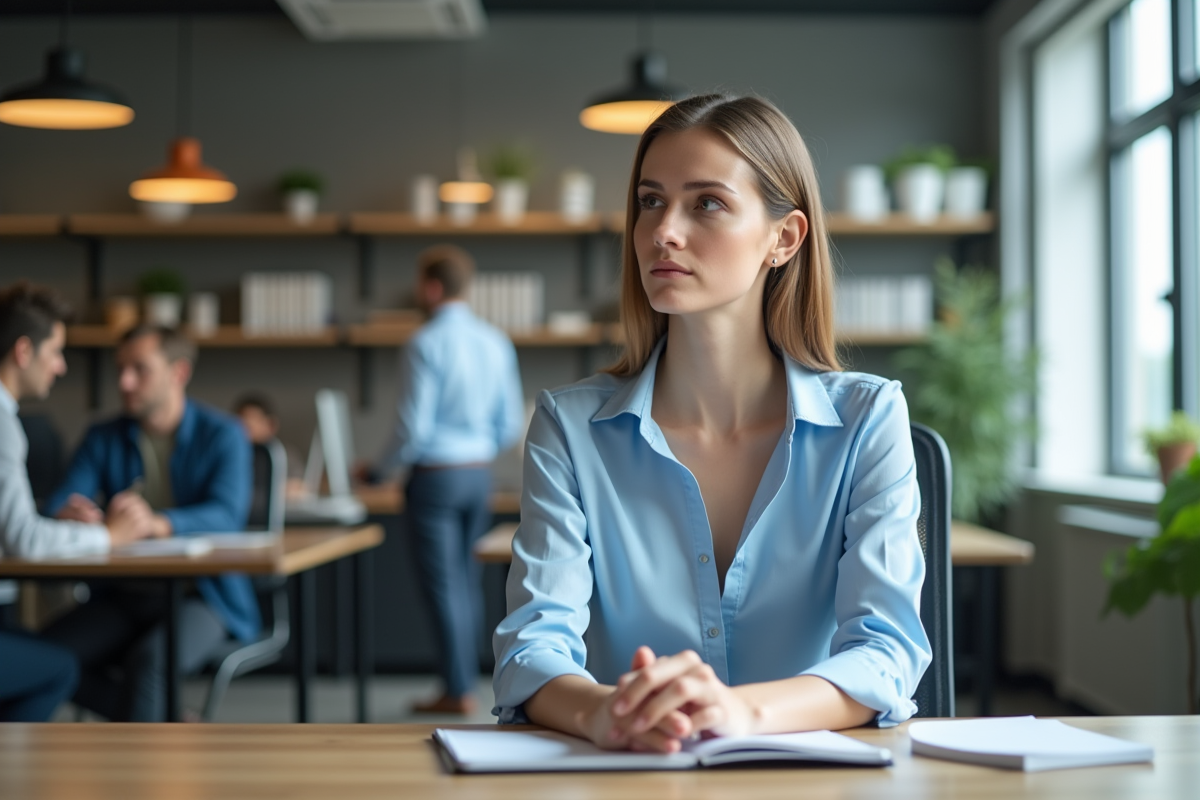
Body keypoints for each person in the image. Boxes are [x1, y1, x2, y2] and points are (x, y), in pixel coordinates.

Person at [492, 95, 931, 752]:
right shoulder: (569, 427)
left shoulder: (868, 419)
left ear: (783, 240)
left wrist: (739, 712)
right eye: (649, 201)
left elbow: (886, 653)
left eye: (707, 203)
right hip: (635, 776)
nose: (663, 231)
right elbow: (532, 646)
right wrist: (602, 714)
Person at [42, 324, 255, 722]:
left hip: (203, 595)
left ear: (179, 373)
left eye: (140, 369)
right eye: (120, 369)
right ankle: (165, 723)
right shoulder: (102, 436)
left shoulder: (224, 434)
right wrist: (71, 511)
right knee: (45, 659)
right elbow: (62, 499)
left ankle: (142, 771)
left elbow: (228, 515)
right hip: (122, 592)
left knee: (150, 665)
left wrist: (159, 523)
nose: (124, 381)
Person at [368, 245, 525, 715]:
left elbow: (411, 429)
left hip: (434, 479)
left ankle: (457, 690)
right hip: (478, 476)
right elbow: (509, 426)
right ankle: (466, 683)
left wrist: (377, 470)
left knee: (444, 586)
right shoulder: (495, 341)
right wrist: (474, 450)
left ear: (431, 287)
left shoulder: (424, 342)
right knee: (467, 583)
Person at [0, 282, 154, 722]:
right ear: (24, 351)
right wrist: (109, 536)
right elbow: (24, 542)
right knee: (58, 668)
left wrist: (55, 520)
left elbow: (14, 526)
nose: (62, 366)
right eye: (55, 352)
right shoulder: (3, 424)